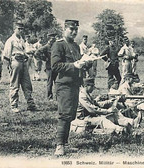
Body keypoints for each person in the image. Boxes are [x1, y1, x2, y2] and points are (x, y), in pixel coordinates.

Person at [51, 19, 90, 156]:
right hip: (64, 84)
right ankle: (59, 145)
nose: (74, 32)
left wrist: (87, 62)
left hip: (74, 84)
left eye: (75, 30)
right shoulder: (58, 45)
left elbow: (79, 62)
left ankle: (65, 143)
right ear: (64, 28)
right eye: (71, 29)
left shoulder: (75, 46)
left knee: (71, 114)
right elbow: (55, 66)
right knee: (64, 114)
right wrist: (74, 65)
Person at [75, 78, 142, 134]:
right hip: (85, 118)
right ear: (86, 85)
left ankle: (132, 122)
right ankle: (119, 129)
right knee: (102, 120)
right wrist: (107, 111)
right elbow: (91, 109)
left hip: (92, 116)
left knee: (113, 114)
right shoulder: (82, 96)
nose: (93, 88)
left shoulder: (87, 94)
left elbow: (97, 104)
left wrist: (109, 101)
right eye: (92, 86)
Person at [3, 21, 37, 113]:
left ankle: (31, 104)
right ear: (14, 29)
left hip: (23, 62)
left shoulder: (22, 40)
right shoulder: (11, 40)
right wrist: (9, 67)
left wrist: (26, 56)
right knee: (15, 85)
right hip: (15, 62)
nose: (21, 30)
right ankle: (14, 105)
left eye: (22, 29)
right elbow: (6, 56)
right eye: (19, 29)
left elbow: (24, 51)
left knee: (27, 84)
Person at [35, 32, 57, 101]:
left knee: (57, 82)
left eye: (54, 38)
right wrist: (44, 58)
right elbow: (37, 53)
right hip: (49, 67)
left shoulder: (56, 46)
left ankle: (58, 96)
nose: (53, 39)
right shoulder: (46, 47)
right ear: (49, 39)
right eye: (52, 38)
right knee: (50, 82)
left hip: (56, 67)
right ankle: (50, 97)